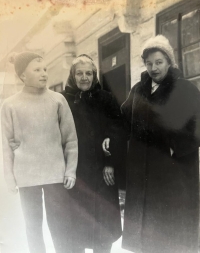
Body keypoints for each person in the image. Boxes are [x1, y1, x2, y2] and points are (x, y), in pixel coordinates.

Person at [121, 35, 200, 253]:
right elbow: (123, 118)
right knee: (146, 229)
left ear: (169, 61)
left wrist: (176, 146)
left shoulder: (185, 89)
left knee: (170, 227)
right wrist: (111, 135)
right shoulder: (138, 90)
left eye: (158, 62)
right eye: (149, 63)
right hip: (142, 166)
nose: (153, 68)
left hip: (172, 168)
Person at [1, 52, 78, 253]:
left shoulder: (58, 100)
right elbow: (5, 146)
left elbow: (70, 139)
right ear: (23, 76)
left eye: (45, 69)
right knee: (32, 227)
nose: (44, 74)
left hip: (55, 175)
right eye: (37, 70)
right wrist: (9, 177)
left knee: (61, 225)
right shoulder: (9, 105)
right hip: (26, 176)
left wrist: (70, 170)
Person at [61, 54, 122, 253]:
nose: (84, 77)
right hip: (74, 172)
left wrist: (110, 162)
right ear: (72, 75)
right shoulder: (63, 101)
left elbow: (118, 130)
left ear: (94, 75)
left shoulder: (106, 99)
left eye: (89, 73)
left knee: (102, 227)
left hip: (101, 172)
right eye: (80, 73)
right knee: (76, 227)